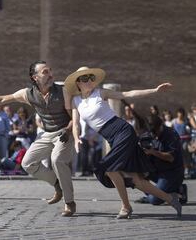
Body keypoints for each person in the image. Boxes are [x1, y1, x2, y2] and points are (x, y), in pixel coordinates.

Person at [0, 60, 75, 217]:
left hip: (64, 132)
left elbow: (73, 117)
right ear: (34, 77)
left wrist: (68, 130)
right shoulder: (28, 94)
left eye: (50, 71)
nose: (50, 74)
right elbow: (1, 99)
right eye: (45, 72)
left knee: (57, 160)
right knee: (27, 163)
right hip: (47, 134)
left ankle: (69, 203)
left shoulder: (63, 91)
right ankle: (57, 185)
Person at [65, 66, 182, 219]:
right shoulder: (76, 100)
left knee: (109, 168)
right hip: (113, 138)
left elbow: (127, 94)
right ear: (78, 82)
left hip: (123, 131)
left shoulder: (100, 93)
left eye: (91, 78)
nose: (89, 81)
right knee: (136, 180)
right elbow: (75, 124)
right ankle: (171, 199)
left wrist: (155, 90)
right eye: (85, 78)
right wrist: (76, 139)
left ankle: (126, 207)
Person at [135, 115, 185, 205]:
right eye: (152, 132)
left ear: (161, 126)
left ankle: (175, 190)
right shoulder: (149, 134)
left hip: (172, 173)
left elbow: (170, 157)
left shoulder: (171, 135)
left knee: (154, 200)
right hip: (156, 170)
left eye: (155, 132)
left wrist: (152, 152)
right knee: (137, 176)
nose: (154, 135)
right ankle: (173, 190)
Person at [172, 108, 192, 179]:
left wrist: (188, 137)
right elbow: (171, 130)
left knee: (185, 155)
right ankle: (180, 170)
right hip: (177, 141)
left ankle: (187, 170)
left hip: (185, 141)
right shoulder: (174, 121)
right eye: (179, 113)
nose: (180, 114)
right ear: (177, 113)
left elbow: (189, 132)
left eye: (181, 113)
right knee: (178, 156)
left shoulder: (186, 121)